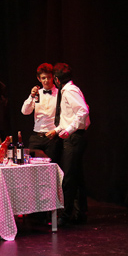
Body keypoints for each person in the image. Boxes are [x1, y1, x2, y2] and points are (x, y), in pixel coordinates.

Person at [53, 63, 90, 225]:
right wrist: (58, 129)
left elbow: (83, 110)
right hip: (74, 136)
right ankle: (80, 212)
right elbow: (69, 115)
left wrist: (68, 130)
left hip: (74, 138)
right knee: (76, 175)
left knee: (68, 177)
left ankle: (67, 214)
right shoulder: (69, 90)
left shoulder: (69, 91)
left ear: (56, 79)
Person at [21, 63, 62, 162]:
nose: (46, 81)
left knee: (51, 166)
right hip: (37, 136)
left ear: (53, 77)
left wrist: (56, 130)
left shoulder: (60, 93)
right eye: (43, 78)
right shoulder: (37, 94)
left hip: (52, 137)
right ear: (39, 79)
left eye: (49, 77)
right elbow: (25, 111)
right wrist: (31, 96)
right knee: (31, 165)